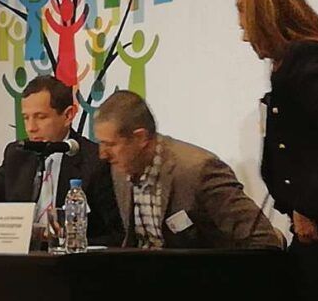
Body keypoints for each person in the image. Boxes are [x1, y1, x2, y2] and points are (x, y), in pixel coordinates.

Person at [237, 0, 318, 301]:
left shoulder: (308, 68)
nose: (244, 37)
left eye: (246, 25)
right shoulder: (297, 68)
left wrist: (308, 206)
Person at [94, 90, 282, 250]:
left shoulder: (199, 171)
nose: (102, 154)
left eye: (110, 144)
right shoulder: (121, 168)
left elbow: (263, 240)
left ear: (140, 138)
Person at [0, 75, 124, 246]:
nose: (31, 128)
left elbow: (115, 236)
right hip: (21, 256)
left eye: (40, 117)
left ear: (68, 115)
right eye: (26, 118)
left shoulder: (94, 160)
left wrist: (67, 241)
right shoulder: (17, 154)